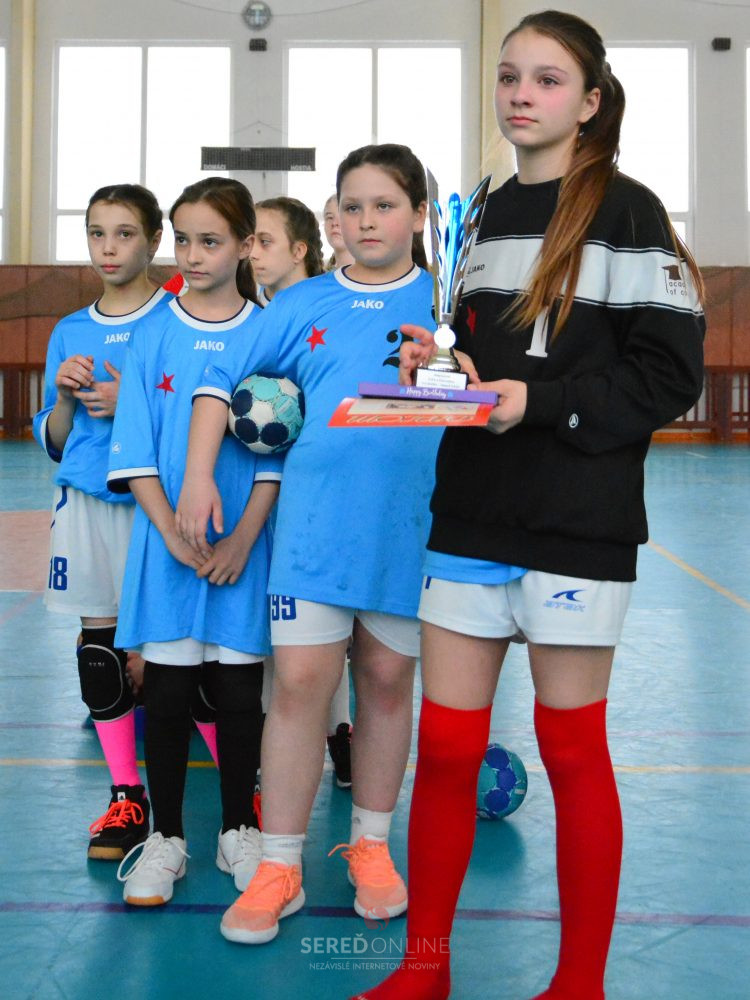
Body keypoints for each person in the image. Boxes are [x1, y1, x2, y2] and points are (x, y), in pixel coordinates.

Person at [351, 11, 705, 1000]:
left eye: (547, 80)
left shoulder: (629, 213)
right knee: (447, 750)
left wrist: (535, 404)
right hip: (470, 512)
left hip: (575, 523)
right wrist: (444, 370)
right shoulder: (477, 214)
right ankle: (425, 969)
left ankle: (578, 984)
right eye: (510, 75)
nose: (521, 94)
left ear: (589, 102)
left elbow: (670, 374)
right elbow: (481, 361)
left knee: (572, 752)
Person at [175, 143, 442, 944]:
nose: (367, 221)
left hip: (410, 530)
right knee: (299, 685)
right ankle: (279, 865)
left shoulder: (446, 300)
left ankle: (371, 847)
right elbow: (218, 383)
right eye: (352, 206)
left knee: (387, 681)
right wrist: (198, 475)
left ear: (419, 215)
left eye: (385, 205)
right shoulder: (301, 304)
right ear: (336, 218)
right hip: (314, 530)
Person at [107, 177, 281, 906]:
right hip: (168, 547)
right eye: (183, 240)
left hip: (243, 545)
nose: (193, 254)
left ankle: (239, 827)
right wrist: (171, 535)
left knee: (239, 690)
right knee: (170, 690)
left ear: (245, 246)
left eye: (210, 240)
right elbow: (134, 450)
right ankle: (167, 838)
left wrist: (242, 537)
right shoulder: (152, 334)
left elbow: (278, 449)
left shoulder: (269, 333)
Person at [33, 184, 168, 861]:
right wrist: (63, 396)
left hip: (155, 502)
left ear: (153, 240)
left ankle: (243, 795)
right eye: (96, 233)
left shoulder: (175, 316)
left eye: (123, 233)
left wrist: (131, 403)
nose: (108, 248)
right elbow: (56, 440)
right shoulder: (69, 330)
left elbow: (200, 417)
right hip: (86, 503)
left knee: (181, 650)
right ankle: (125, 794)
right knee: (100, 648)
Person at [251, 195, 355, 787]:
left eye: (264, 241)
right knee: (278, 634)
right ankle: (271, 743)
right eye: (248, 242)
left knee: (328, 630)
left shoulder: (330, 312)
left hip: (323, 498)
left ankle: (341, 733)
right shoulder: (254, 318)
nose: (253, 254)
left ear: (298, 249)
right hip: (262, 498)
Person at [323, 192, 355, 270]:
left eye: (341, 217)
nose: (334, 223)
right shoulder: (321, 276)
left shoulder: (375, 274)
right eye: (330, 217)